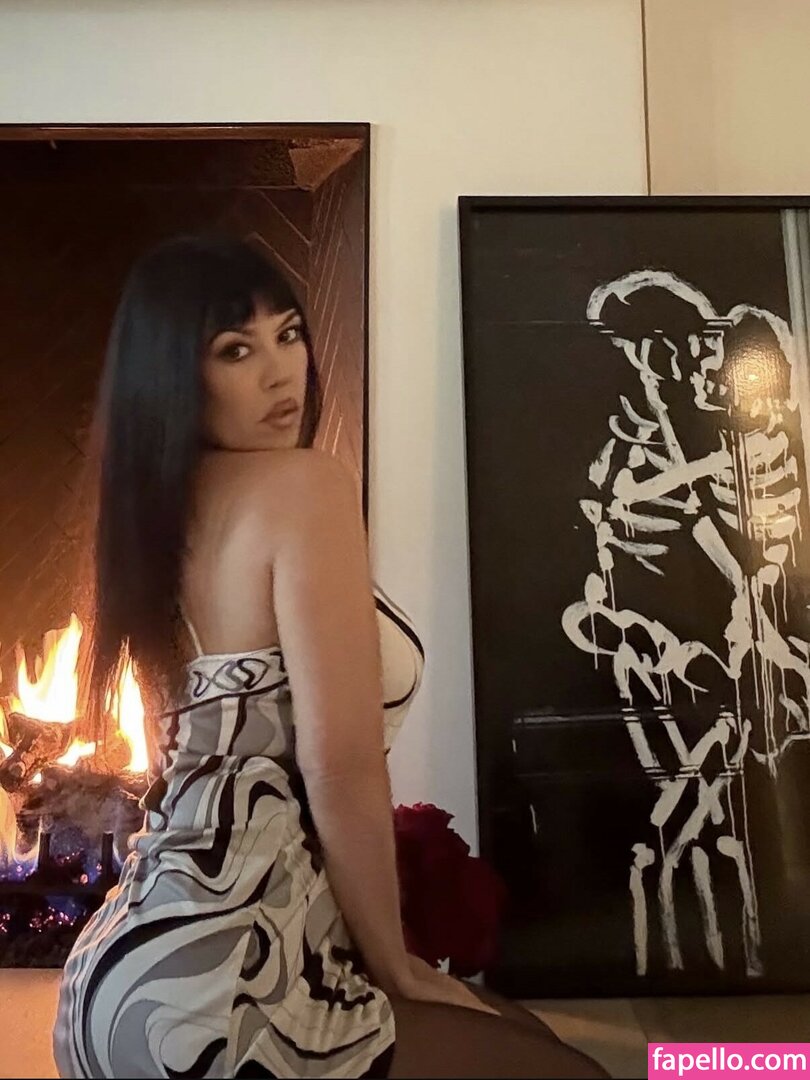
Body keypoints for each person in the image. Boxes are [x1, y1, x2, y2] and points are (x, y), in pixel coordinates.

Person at [52, 234, 606, 1079]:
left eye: (289, 334)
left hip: (113, 982)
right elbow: (340, 763)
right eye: (236, 350)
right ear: (172, 376)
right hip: (225, 977)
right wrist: (398, 970)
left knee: (530, 1041)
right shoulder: (305, 486)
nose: (283, 372)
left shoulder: (148, 516)